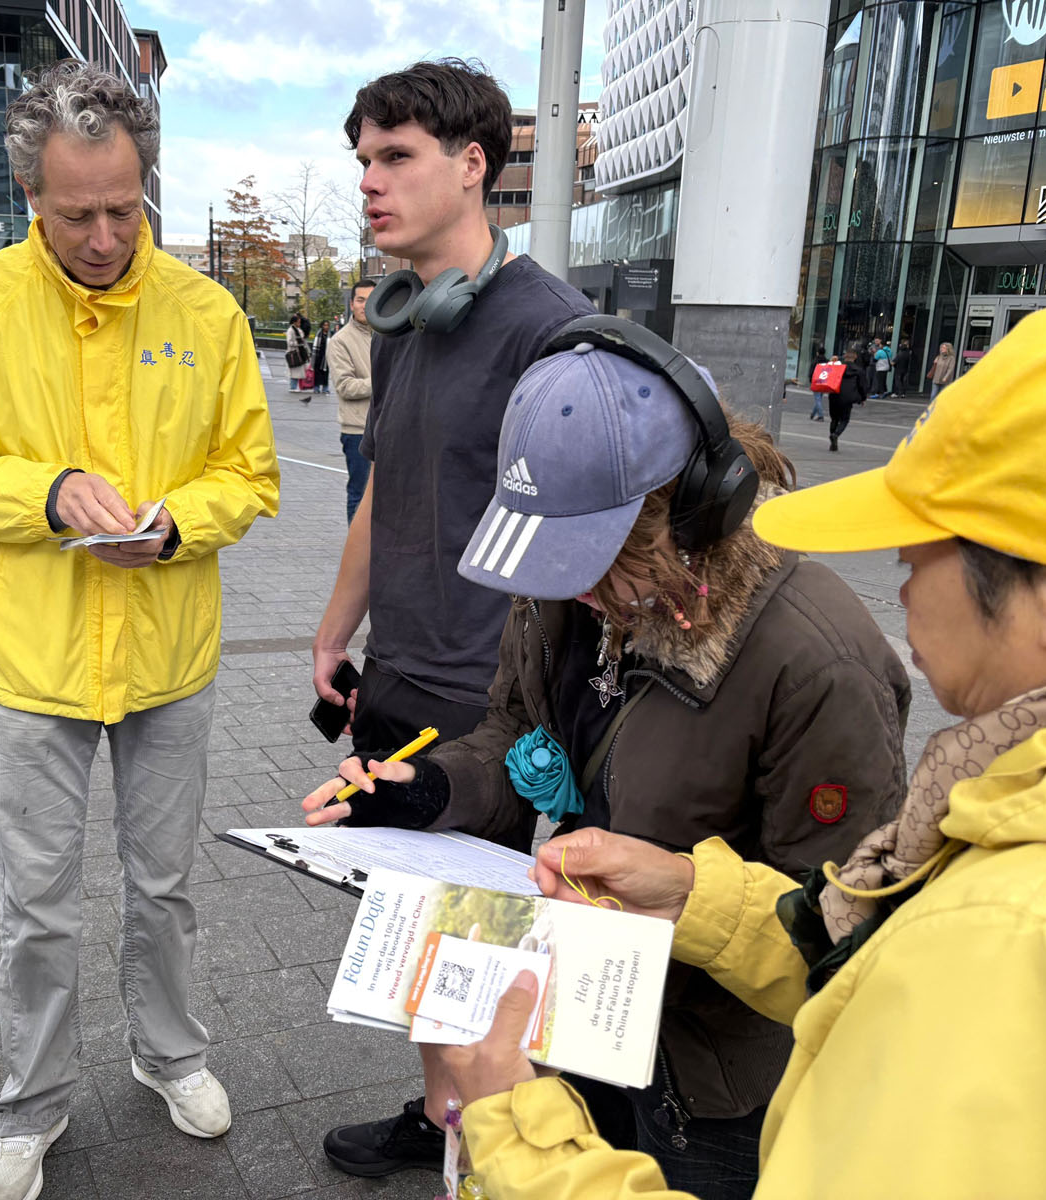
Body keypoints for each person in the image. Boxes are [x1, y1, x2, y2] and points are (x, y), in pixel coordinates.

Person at [436, 301, 1046, 1200]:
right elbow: (876, 958)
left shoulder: (1022, 936)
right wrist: (694, 895)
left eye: (919, 549)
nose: (899, 582)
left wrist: (515, 1127)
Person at [303, 319, 910, 1197]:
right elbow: (514, 737)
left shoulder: (817, 661)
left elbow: (837, 925)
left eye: (601, 556)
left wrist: (679, 900)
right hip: (575, 1009)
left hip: (708, 1076)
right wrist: (426, 787)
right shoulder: (564, 593)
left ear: (695, 508)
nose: (574, 587)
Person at [0, 60, 279, 1200]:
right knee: (35, 906)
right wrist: (49, 493)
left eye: (124, 208)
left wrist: (178, 527)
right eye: (77, 215)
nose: (106, 237)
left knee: (164, 886)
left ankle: (170, 1053)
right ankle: (31, 1103)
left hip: (168, 654)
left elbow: (249, 474)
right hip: (35, 659)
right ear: (31, 194)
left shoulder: (207, 313)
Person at [309, 58, 613, 1177]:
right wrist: (335, 632)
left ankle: (493, 1138)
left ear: (473, 163)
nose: (370, 182)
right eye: (363, 160)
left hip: (487, 698)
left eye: (396, 157)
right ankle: (446, 1111)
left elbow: (599, 527)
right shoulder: (402, 321)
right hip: (398, 671)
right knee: (412, 922)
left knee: (471, 937)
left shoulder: (553, 329)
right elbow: (384, 487)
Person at [329, 278, 376, 522]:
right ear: (351, 304)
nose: (365, 305)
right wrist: (385, 380)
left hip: (388, 428)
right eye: (360, 300)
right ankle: (356, 545)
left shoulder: (388, 334)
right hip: (358, 430)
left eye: (371, 299)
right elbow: (345, 386)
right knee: (360, 494)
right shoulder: (340, 341)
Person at [828, 349, 868, 452]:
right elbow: (862, 386)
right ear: (855, 357)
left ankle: (832, 437)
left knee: (834, 419)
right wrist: (863, 398)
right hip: (848, 397)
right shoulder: (859, 371)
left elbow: (827, 373)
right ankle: (836, 434)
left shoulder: (838, 367)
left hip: (834, 395)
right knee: (844, 419)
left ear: (845, 356)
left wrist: (832, 361)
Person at [286, 313, 311, 398]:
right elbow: (289, 342)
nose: (299, 323)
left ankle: (294, 386)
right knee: (294, 371)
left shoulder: (298, 330)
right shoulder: (291, 330)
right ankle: (293, 387)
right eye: (298, 322)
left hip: (299, 353)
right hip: (294, 353)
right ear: (294, 322)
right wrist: (298, 343)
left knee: (298, 371)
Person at [312, 318, 332, 392]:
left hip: (326, 357)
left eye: (327, 325)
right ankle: (316, 387)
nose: (326, 327)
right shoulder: (318, 334)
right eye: (325, 325)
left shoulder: (330, 334)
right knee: (317, 372)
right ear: (322, 326)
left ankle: (325, 388)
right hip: (318, 356)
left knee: (325, 373)